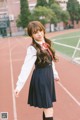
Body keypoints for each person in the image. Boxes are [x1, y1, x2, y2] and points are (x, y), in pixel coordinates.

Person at [14, 21, 60, 120]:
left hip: (48, 78)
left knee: (47, 107)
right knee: (48, 108)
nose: (39, 34)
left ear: (43, 30)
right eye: (35, 32)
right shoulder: (32, 49)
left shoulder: (46, 44)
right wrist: (19, 86)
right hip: (41, 79)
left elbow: (50, 62)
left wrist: (55, 74)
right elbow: (26, 68)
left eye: (40, 31)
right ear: (31, 35)